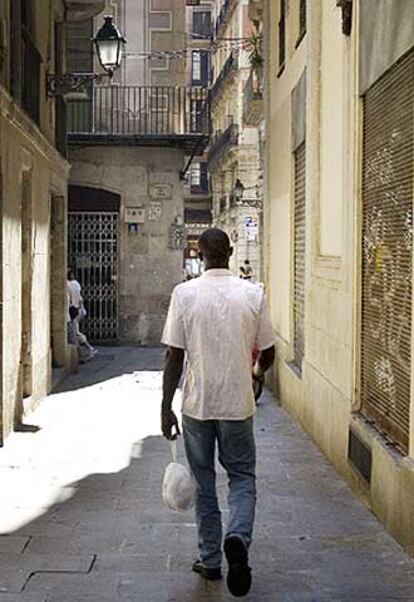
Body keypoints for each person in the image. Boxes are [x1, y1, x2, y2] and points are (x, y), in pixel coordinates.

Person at [161, 228, 276, 597]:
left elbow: (173, 356)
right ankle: (238, 536)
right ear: (230, 251)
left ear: (199, 252)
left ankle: (210, 560)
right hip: (238, 404)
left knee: (204, 482)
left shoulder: (184, 294)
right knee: (242, 477)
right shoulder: (253, 293)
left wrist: (166, 406)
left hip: (198, 405)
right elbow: (269, 351)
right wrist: (254, 374)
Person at [67, 268, 97, 362]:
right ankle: (83, 353)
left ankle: (88, 350)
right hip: (79, 310)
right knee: (75, 331)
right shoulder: (76, 284)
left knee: (75, 332)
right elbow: (80, 299)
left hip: (72, 311)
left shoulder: (68, 284)